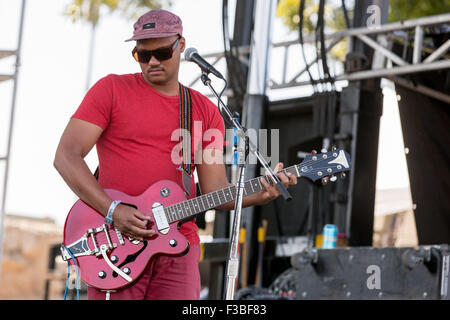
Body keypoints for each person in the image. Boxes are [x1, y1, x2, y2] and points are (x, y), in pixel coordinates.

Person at [53, 9, 297, 300]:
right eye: (143, 55)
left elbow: (216, 191)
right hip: (117, 245)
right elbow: (66, 156)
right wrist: (113, 210)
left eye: (161, 52)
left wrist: (261, 193)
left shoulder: (205, 109)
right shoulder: (112, 90)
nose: (153, 61)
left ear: (180, 45)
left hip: (179, 245)